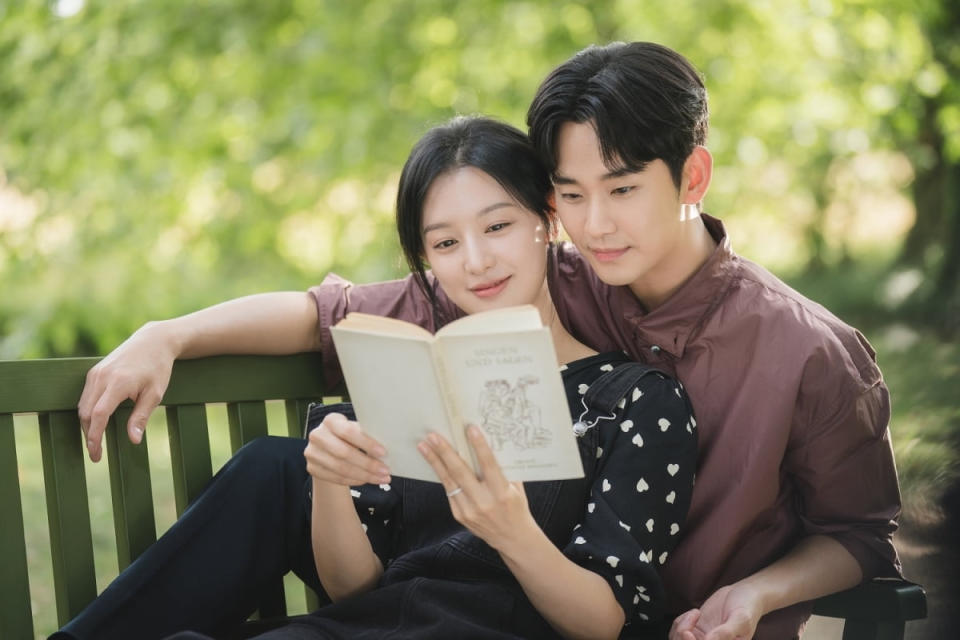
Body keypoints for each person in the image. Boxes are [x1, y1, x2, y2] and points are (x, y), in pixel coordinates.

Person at [77, 42, 902, 639]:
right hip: (442, 592)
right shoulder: (548, 277)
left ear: (692, 177)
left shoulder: (811, 353)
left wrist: (755, 594)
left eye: (622, 189)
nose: (597, 224)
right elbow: (327, 312)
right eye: (573, 196)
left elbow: (862, 534)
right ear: (553, 208)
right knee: (275, 467)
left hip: (637, 611)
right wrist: (169, 333)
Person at [60, 116, 697, 640]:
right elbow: (354, 588)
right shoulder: (416, 376)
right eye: (445, 244)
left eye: (498, 226)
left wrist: (513, 532)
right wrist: (330, 484)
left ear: (548, 220)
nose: (475, 262)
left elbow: (605, 623)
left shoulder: (637, 401)